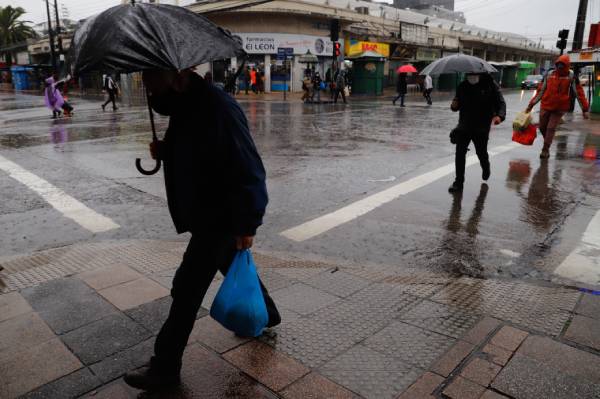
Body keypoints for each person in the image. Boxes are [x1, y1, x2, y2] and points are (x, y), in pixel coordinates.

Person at [123, 69, 281, 391]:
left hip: (220, 216)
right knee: (229, 263)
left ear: (177, 77)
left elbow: (247, 167)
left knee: (186, 290)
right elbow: (199, 151)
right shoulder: (188, 104)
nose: (150, 92)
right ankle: (268, 316)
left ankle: (165, 368)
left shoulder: (217, 107)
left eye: (153, 84)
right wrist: (166, 151)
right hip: (209, 213)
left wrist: (248, 222)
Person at [449, 73, 506, 193]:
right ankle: (458, 183)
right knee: (460, 153)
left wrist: (499, 116)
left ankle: (486, 167)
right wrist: (454, 105)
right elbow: (456, 105)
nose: (471, 76)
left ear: (480, 73)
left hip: (481, 126)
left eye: (474, 74)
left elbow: (500, 102)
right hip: (464, 125)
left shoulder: (490, 85)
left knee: (481, 152)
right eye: (469, 74)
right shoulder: (463, 86)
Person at [526, 54, 590, 159]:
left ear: (567, 66)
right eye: (558, 65)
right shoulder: (549, 74)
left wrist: (585, 109)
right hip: (546, 105)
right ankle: (548, 141)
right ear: (556, 64)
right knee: (542, 127)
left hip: (560, 108)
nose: (560, 67)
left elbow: (579, 93)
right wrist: (531, 105)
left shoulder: (571, 76)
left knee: (551, 128)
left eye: (562, 65)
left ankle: (545, 149)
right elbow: (540, 90)